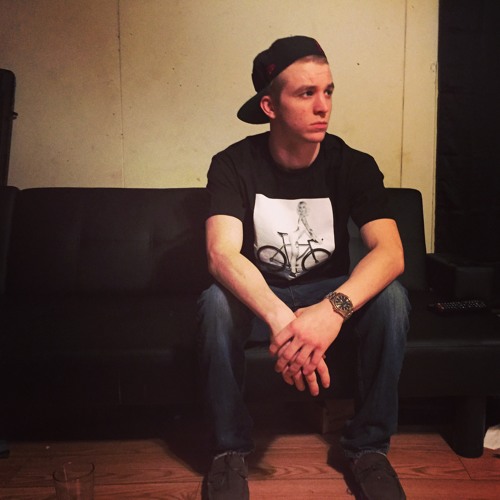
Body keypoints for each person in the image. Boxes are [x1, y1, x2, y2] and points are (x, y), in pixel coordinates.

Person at [197, 35, 410, 500]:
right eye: (306, 93)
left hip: (328, 293)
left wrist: (331, 311)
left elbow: (391, 253)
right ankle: (228, 451)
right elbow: (221, 254)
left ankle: (368, 449)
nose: (323, 106)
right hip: (263, 299)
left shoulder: (353, 165)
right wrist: (282, 319)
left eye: (328, 91)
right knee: (215, 304)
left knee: (392, 300)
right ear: (270, 106)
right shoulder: (233, 164)